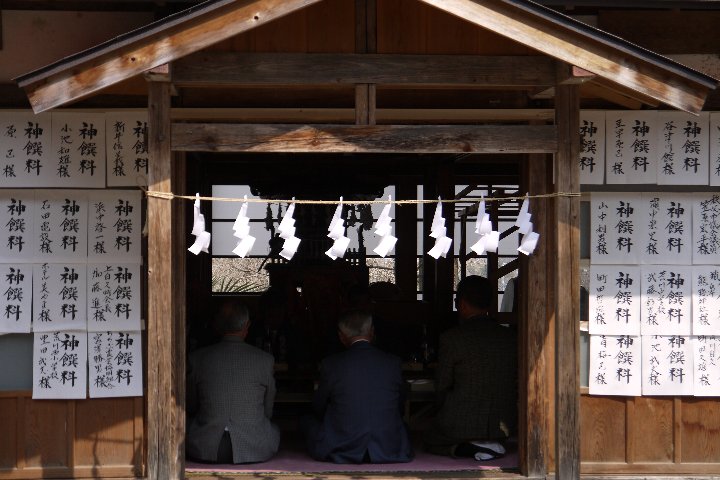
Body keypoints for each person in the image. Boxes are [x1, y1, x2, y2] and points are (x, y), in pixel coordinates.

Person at [423, 275, 517, 461]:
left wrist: (437, 409)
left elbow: (442, 384)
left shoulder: (452, 338)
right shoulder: (509, 337)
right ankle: (489, 444)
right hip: (504, 424)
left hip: (461, 424)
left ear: (463, 304)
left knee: (429, 439)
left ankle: (466, 448)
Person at [303, 310, 413, 464]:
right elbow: (400, 404)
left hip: (342, 445)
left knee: (307, 422)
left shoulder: (331, 364)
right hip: (387, 446)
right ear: (372, 332)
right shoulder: (392, 363)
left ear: (341, 336)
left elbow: (319, 405)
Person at [186, 300, 280, 464]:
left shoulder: (197, 358)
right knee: (275, 429)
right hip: (254, 448)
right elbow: (268, 411)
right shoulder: (265, 360)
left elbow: (191, 405)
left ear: (217, 326)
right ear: (247, 326)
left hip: (205, 447)